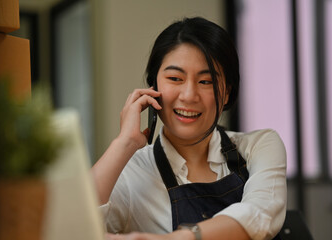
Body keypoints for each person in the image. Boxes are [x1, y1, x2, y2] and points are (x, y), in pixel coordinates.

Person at [91, 17, 287, 240]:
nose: (189, 95)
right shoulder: (133, 173)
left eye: (206, 81)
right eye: (175, 78)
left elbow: (260, 215)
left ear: (227, 94)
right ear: (153, 87)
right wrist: (124, 143)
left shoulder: (259, 146)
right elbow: (69, 227)